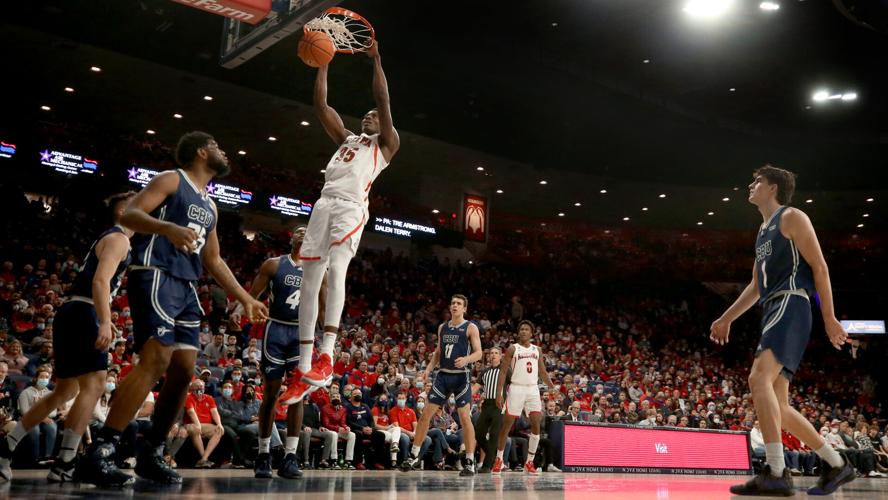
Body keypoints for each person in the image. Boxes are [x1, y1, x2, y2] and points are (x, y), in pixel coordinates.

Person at [75, 131, 268, 486]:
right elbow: (130, 214)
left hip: (186, 285)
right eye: (217, 145)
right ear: (200, 152)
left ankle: (152, 451)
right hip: (155, 274)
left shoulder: (210, 206)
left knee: (183, 370)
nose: (223, 151)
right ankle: (101, 450)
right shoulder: (170, 179)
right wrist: (167, 227)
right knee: (157, 360)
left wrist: (245, 297)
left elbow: (213, 259)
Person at [709, 165, 854, 496]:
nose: (751, 184)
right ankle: (837, 464)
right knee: (779, 404)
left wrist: (830, 317)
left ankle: (776, 471)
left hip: (792, 303)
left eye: (756, 181)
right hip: (773, 306)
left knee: (758, 379)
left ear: (772, 187)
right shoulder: (762, 232)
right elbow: (756, 286)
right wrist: (727, 317)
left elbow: (820, 267)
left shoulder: (792, 217)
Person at [287, 41, 401, 403]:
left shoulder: (385, 145)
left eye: (374, 115)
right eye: (366, 115)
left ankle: (328, 353)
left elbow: (383, 100)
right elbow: (321, 106)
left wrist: (377, 60)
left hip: (351, 207)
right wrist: (323, 63)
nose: (369, 116)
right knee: (309, 280)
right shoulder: (347, 140)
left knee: (337, 271)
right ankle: (305, 366)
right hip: (323, 204)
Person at [0, 192, 136, 483]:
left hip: (73, 311)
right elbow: (100, 282)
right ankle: (66, 461)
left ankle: (6, 445)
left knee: (64, 392)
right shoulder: (119, 238)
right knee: (96, 383)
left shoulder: (116, 238)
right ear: (124, 211)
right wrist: (105, 321)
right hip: (85, 310)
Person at [249, 225, 324, 479]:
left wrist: (328, 343)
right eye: (298, 231)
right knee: (270, 394)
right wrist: (240, 313)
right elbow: (252, 296)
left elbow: (323, 308)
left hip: (302, 335)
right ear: (290, 238)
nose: (303, 233)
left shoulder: (317, 271)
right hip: (276, 330)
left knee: (297, 396)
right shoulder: (273, 264)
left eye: (307, 230)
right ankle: (263, 455)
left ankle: (290, 457)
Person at [401, 295, 482, 476]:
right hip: (443, 375)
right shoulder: (442, 327)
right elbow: (438, 351)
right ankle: (413, 456)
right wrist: (428, 369)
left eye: (458, 304)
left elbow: (479, 353)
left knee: (464, 417)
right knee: (425, 415)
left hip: (462, 377)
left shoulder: (470, 327)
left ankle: (469, 460)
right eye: (452, 303)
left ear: (464, 309)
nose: (454, 306)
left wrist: (466, 359)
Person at [492, 320, 555, 475]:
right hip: (516, 388)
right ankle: (499, 459)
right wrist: (499, 393)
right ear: (518, 332)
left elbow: (542, 371)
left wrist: (552, 387)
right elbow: (503, 371)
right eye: (521, 329)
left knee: (536, 426)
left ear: (531, 333)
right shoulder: (513, 349)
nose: (523, 331)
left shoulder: (537, 349)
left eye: (527, 329)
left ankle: (529, 462)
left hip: (533, 389)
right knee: (506, 426)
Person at [473, 347, 504, 473]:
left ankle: (487, 465)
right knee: (479, 434)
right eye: (491, 353)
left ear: (501, 356)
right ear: (488, 356)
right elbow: (476, 386)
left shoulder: (505, 370)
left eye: (496, 353)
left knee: (494, 436)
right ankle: (495, 457)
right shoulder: (484, 371)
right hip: (487, 405)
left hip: (499, 405)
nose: (493, 355)